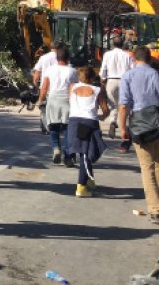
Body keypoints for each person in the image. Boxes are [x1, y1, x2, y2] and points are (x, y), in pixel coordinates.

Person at [118, 46, 159, 226]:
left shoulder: (128, 76)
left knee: (147, 167)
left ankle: (155, 209)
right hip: (157, 122)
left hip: (140, 125)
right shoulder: (155, 74)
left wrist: (122, 127)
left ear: (134, 59)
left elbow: (123, 105)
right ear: (149, 58)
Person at [67, 66, 110, 198]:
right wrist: (102, 117)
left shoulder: (72, 87)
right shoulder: (98, 90)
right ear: (92, 78)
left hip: (74, 121)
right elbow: (105, 110)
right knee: (86, 153)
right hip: (89, 122)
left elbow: (70, 100)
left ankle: (89, 179)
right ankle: (81, 186)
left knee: (84, 152)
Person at [37, 48, 78, 167]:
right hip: (67, 99)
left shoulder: (50, 70)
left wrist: (40, 100)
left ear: (56, 58)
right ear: (68, 58)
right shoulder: (72, 71)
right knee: (67, 127)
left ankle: (56, 148)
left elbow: (44, 87)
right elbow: (73, 88)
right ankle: (68, 156)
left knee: (53, 125)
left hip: (53, 98)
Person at [100, 35, 135, 152]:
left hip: (111, 80)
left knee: (113, 104)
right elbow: (132, 69)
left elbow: (103, 69)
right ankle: (124, 129)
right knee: (124, 106)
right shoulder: (127, 55)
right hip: (124, 80)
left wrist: (103, 79)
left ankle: (112, 121)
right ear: (123, 44)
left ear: (112, 44)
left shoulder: (107, 54)